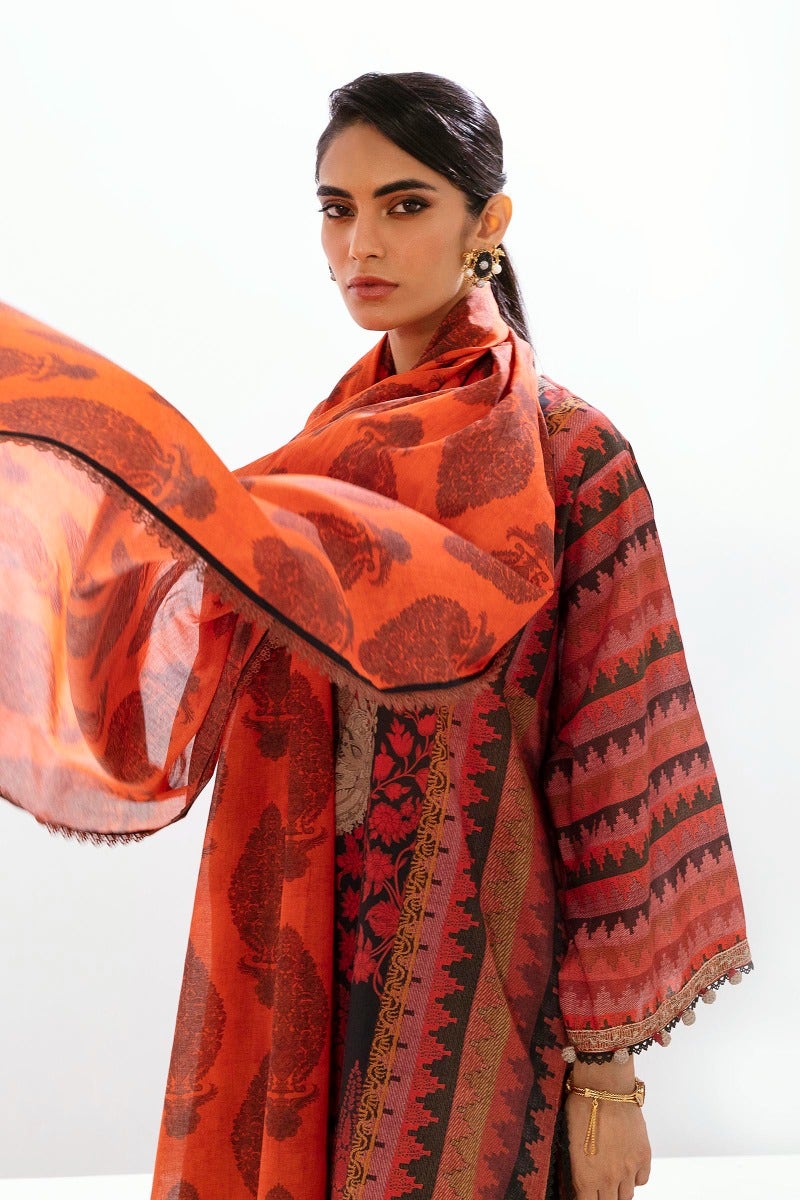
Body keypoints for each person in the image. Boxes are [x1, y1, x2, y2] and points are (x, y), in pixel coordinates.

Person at [0, 71, 752, 1200]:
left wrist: (609, 1082)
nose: (362, 243)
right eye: (336, 208)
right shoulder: (329, 454)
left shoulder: (569, 459)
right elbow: (182, 611)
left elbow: (616, 774)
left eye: (404, 205)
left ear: (487, 222)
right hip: (306, 945)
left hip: (482, 984)